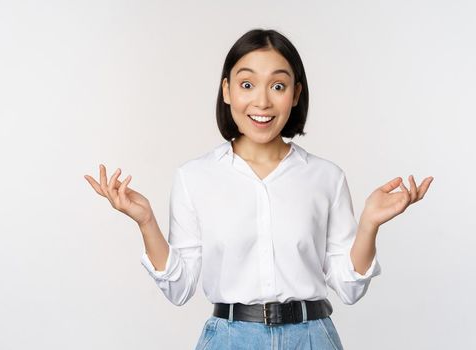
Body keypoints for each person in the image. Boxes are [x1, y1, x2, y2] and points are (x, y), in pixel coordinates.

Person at [84, 28, 433, 350]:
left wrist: (370, 223)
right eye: (247, 85)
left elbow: (349, 288)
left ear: (295, 94)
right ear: (226, 91)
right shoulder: (195, 177)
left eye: (278, 86)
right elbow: (179, 289)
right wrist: (146, 221)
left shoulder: (326, 177)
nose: (262, 102)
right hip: (229, 338)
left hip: (312, 337)